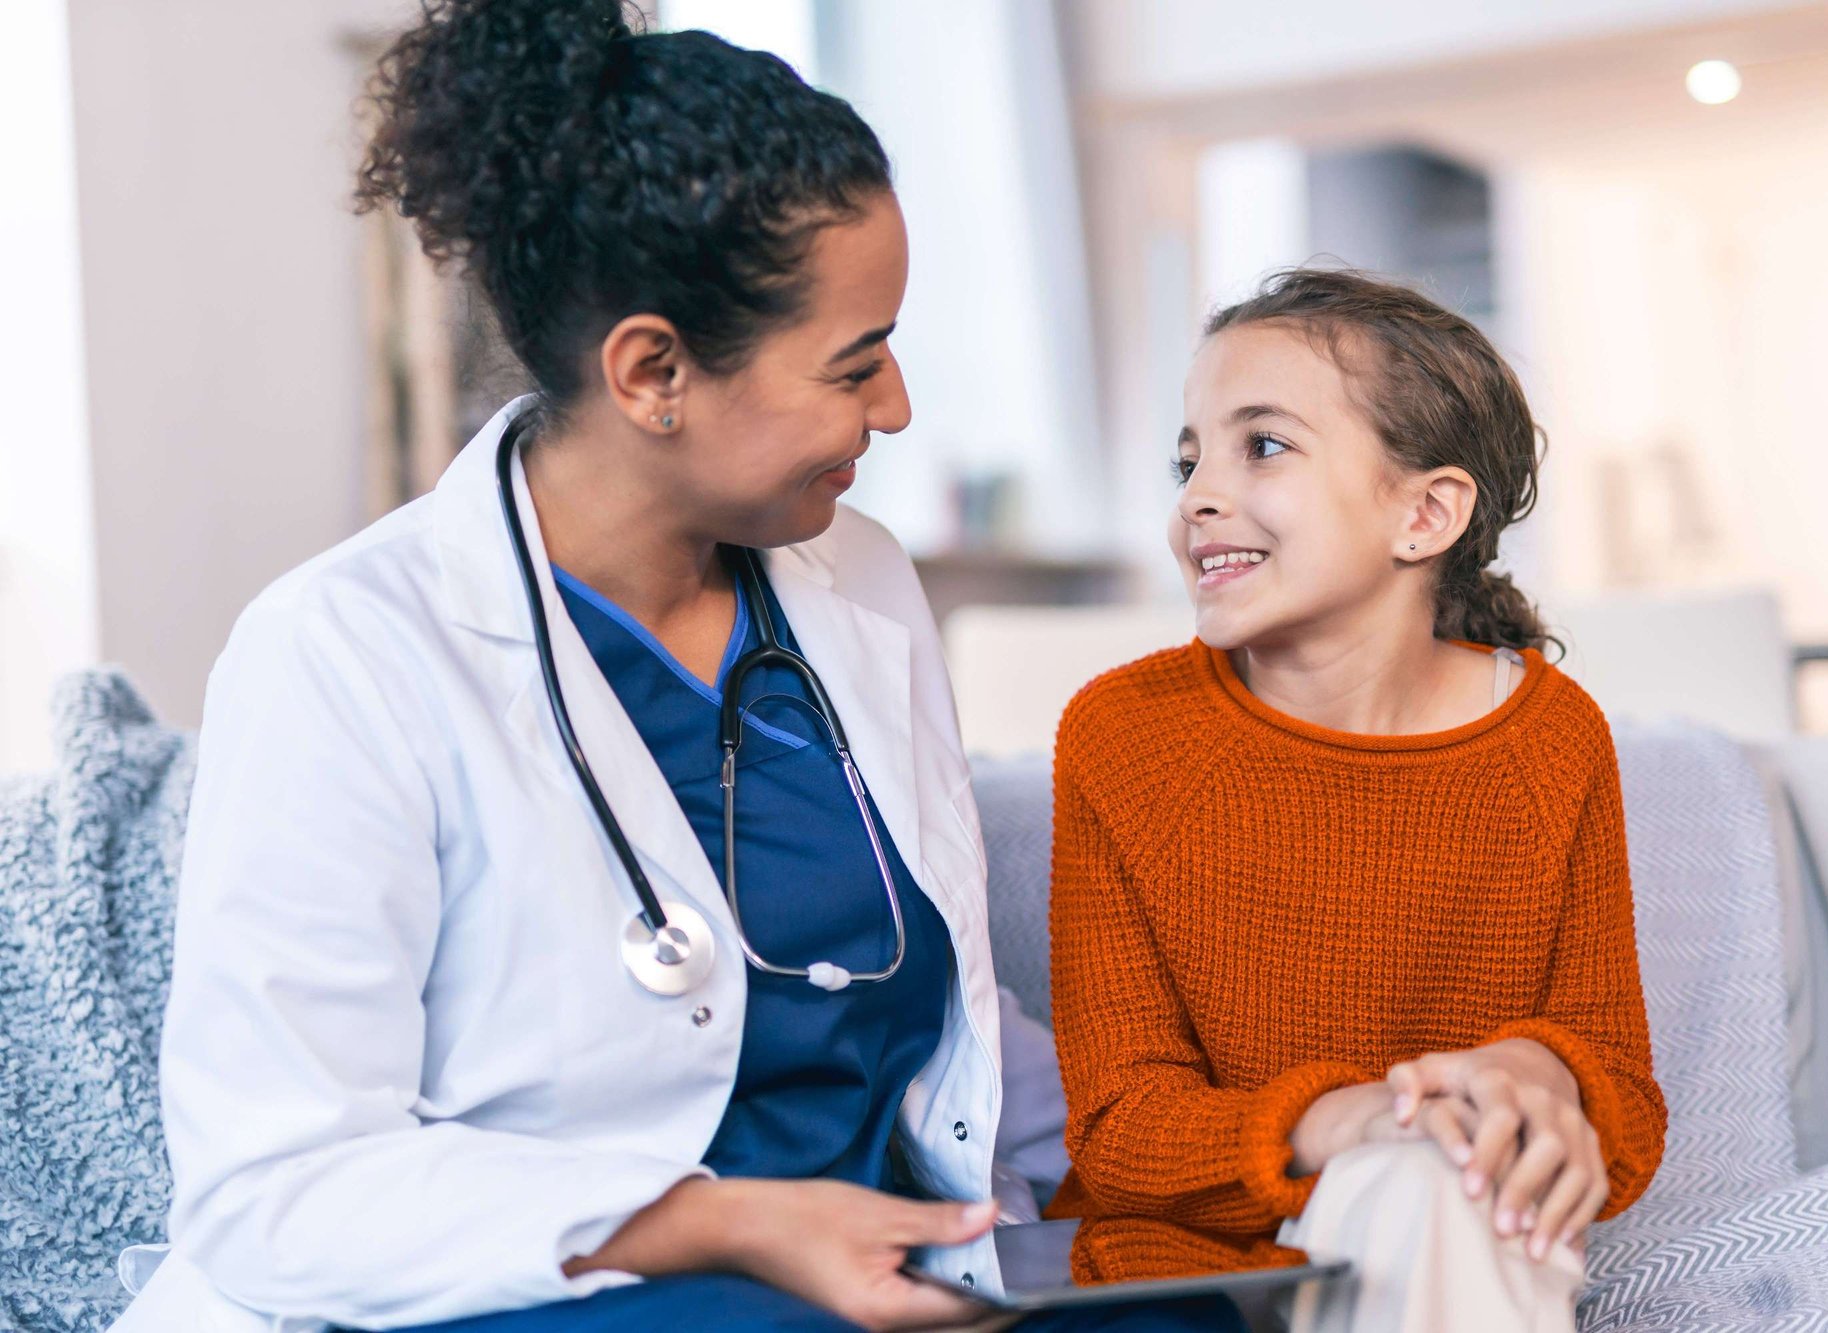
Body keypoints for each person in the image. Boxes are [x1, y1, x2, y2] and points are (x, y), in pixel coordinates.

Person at [109, 5, 1239, 1330]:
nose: (898, 409)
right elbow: (278, 1190)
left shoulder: (859, 582)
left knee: (1198, 1307)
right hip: (534, 1291)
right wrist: (727, 1220)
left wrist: (1246, 1146)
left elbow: (951, 1027)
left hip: (879, 1269)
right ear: (652, 371)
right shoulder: (346, 653)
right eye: (855, 364)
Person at [1045, 269, 1668, 1330]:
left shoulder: (1553, 738)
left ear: (1424, 512)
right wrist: (1351, 1120)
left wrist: (1539, 1075)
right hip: (1193, 1275)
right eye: (1186, 457)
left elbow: (1616, 1089)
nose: (1196, 494)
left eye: (1263, 445)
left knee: (1432, 1181)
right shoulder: (1122, 734)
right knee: (1415, 1172)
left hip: (1468, 1218)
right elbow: (1120, 1125)